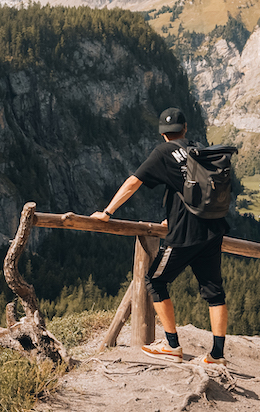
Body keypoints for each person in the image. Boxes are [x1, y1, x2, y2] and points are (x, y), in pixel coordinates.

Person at [90, 107, 229, 366]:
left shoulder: (164, 152)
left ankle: (172, 345)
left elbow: (133, 182)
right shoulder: (198, 148)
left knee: (154, 280)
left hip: (186, 234)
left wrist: (107, 212)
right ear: (185, 128)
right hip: (214, 228)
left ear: (163, 134)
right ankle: (217, 355)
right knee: (214, 291)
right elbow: (188, 189)